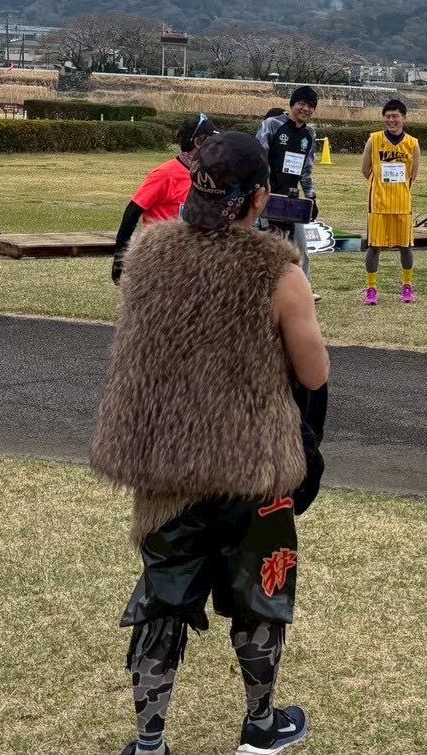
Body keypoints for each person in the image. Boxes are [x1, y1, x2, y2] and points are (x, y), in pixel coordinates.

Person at [90, 132, 329, 755]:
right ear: (258, 198)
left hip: (166, 461)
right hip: (254, 464)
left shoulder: (146, 255)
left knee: (162, 599)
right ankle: (261, 723)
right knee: (260, 595)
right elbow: (314, 374)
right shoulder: (279, 271)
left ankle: (149, 740)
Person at [111, 113, 217, 284]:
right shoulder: (165, 174)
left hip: (191, 261)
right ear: (198, 142)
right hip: (158, 259)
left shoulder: (208, 175)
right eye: (212, 141)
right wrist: (119, 259)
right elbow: (132, 212)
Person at [257, 87, 320, 285]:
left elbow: (306, 169)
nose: (305, 109)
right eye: (302, 103)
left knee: (293, 249)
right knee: (268, 248)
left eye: (310, 105)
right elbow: (259, 159)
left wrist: (311, 197)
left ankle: (291, 291)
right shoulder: (272, 124)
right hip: (267, 197)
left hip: (291, 199)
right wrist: (263, 189)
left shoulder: (309, 134)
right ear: (292, 104)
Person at [361, 99, 421, 305]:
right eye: (388, 116)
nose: (391, 120)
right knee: (374, 246)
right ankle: (371, 288)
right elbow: (365, 170)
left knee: (405, 246)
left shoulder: (412, 143)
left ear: (404, 118)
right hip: (378, 202)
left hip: (402, 202)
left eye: (395, 116)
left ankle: (407, 286)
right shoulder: (374, 140)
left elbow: (413, 174)